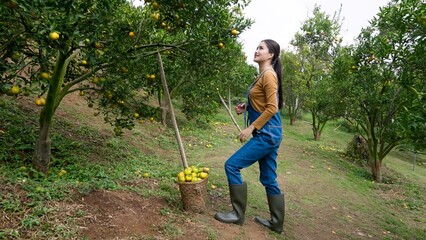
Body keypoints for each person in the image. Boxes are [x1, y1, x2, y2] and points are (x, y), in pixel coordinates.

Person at [214, 39, 285, 234]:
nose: (256, 50)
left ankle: (237, 214)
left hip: (266, 134)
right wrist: (246, 106)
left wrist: (250, 128)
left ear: (271, 55)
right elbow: (264, 102)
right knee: (269, 178)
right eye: (257, 47)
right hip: (271, 133)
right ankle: (276, 223)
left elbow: (272, 107)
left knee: (232, 165)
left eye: (261, 48)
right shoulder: (263, 75)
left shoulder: (269, 76)